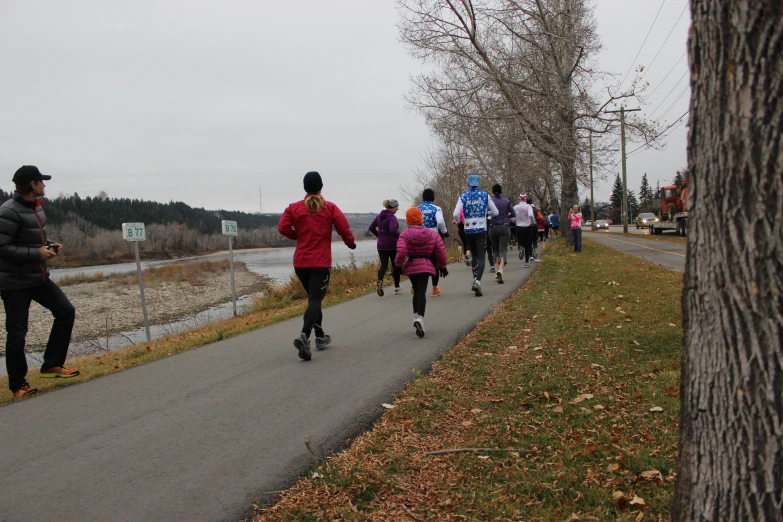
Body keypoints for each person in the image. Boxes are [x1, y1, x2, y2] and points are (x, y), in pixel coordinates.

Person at [1, 166, 78, 399]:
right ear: (32, 185)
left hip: (39, 278)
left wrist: (51, 245)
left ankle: (51, 365)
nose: (45, 185)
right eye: (42, 182)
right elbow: (2, 248)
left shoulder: (37, 209)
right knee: (17, 334)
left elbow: (34, 239)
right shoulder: (7, 212)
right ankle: (17, 385)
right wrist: (37, 253)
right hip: (14, 283)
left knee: (66, 311)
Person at [278, 171, 356, 361]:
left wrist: (297, 236)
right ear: (321, 186)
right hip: (320, 262)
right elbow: (343, 228)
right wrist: (350, 243)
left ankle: (320, 338)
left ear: (305, 188)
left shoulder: (293, 208)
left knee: (314, 300)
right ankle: (305, 336)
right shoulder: (329, 208)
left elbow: (282, 228)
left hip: (301, 263)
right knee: (315, 301)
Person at [395, 208, 448, 338]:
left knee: (416, 290)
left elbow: (401, 252)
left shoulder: (405, 235)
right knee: (421, 292)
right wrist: (442, 266)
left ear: (408, 220)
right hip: (426, 265)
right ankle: (420, 319)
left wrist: (397, 266)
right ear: (421, 219)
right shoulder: (432, 234)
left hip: (411, 266)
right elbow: (441, 251)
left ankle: (415, 316)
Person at [453, 174, 499, 296]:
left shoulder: (463, 196)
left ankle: (474, 278)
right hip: (481, 229)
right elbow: (496, 212)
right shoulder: (485, 195)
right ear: (478, 184)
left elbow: (456, 214)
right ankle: (478, 281)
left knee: (473, 255)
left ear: (468, 184)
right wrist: (486, 214)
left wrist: (460, 223)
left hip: (468, 229)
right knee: (481, 256)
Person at [417, 188, 448, 297]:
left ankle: (416, 286)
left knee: (419, 261)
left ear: (423, 197)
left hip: (419, 236)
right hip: (432, 237)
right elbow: (440, 221)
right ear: (433, 197)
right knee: (434, 263)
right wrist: (444, 232)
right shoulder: (436, 208)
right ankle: (434, 289)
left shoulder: (417, 209)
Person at [369, 199, 401, 297]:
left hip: (381, 245)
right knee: (395, 265)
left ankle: (380, 282)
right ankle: (396, 287)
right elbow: (392, 229)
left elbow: (371, 227)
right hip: (392, 244)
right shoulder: (392, 217)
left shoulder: (379, 217)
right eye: (396, 207)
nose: (398, 208)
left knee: (383, 265)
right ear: (392, 207)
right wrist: (400, 237)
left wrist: (380, 236)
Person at [488, 184, 515, 284]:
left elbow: (487, 213)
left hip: (493, 228)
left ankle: (496, 270)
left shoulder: (490, 201)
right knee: (503, 249)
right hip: (504, 227)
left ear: (493, 191)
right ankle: (501, 270)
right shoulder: (506, 201)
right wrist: (506, 216)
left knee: (496, 249)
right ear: (501, 190)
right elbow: (513, 214)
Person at [512, 192, 535, 268]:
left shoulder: (516, 207)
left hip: (518, 226)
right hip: (527, 226)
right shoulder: (528, 206)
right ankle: (526, 262)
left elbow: (510, 215)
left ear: (520, 198)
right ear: (526, 198)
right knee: (528, 245)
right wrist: (532, 221)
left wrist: (515, 220)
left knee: (520, 241)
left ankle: (520, 247)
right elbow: (531, 215)